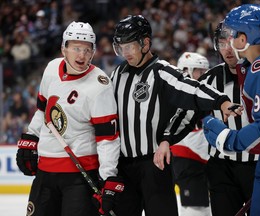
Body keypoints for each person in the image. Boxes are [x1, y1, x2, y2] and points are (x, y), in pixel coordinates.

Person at [110, 15, 239, 216]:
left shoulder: (162, 71)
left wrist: (221, 101)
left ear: (145, 43)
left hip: (154, 162)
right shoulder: (118, 73)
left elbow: (192, 88)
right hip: (122, 166)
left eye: (130, 46)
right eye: (121, 47)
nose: (125, 53)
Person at [16, 21, 124, 216]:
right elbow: (42, 110)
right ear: (63, 49)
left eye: (86, 49)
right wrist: (31, 136)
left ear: (93, 52)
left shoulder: (100, 86)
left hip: (79, 178)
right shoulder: (51, 69)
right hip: (45, 172)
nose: (81, 55)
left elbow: (107, 138)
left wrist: (108, 177)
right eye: (75, 48)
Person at [203, 4, 260, 215]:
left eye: (231, 34)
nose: (227, 42)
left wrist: (228, 139)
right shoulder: (259, 60)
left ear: (243, 39)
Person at [169, 52, 212, 216]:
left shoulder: (198, 94)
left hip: (195, 160)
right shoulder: (182, 96)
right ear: (186, 70)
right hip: (188, 161)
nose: (204, 75)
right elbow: (191, 136)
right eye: (199, 71)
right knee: (196, 209)